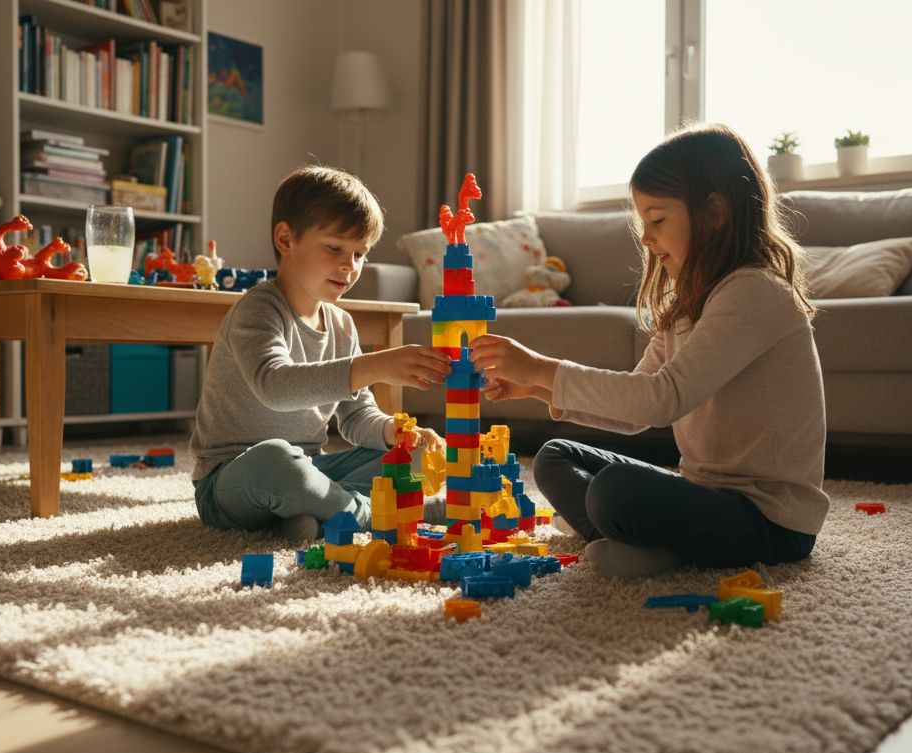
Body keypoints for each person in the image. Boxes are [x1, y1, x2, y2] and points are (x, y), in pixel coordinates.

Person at [468, 123, 828, 579]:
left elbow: (662, 399)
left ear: (715, 211)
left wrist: (544, 367)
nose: (646, 238)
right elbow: (634, 412)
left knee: (614, 492)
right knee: (556, 457)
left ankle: (648, 542)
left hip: (770, 522)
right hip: (706, 495)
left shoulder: (755, 291)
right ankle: (649, 542)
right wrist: (538, 387)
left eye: (657, 220)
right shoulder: (690, 303)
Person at [189, 165, 451, 541]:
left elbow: (356, 418)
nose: (350, 266)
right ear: (286, 239)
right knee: (278, 459)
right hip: (232, 480)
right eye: (335, 248)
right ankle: (374, 514)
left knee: (412, 458)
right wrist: (373, 365)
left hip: (313, 469)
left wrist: (393, 432)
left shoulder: (342, 324)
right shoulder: (258, 309)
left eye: (360, 254)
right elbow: (275, 387)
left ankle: (313, 512)